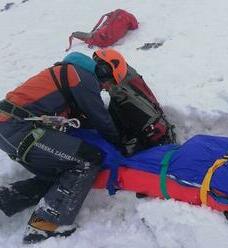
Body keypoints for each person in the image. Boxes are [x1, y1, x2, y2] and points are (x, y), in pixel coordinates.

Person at [0, 49, 131, 243]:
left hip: (12, 127)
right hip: (18, 129)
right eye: (108, 82)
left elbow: (81, 117)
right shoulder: (83, 78)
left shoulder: (71, 72)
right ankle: (45, 224)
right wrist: (119, 145)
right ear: (103, 70)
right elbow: (100, 118)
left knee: (60, 171)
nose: (104, 88)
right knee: (87, 159)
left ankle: (6, 198)